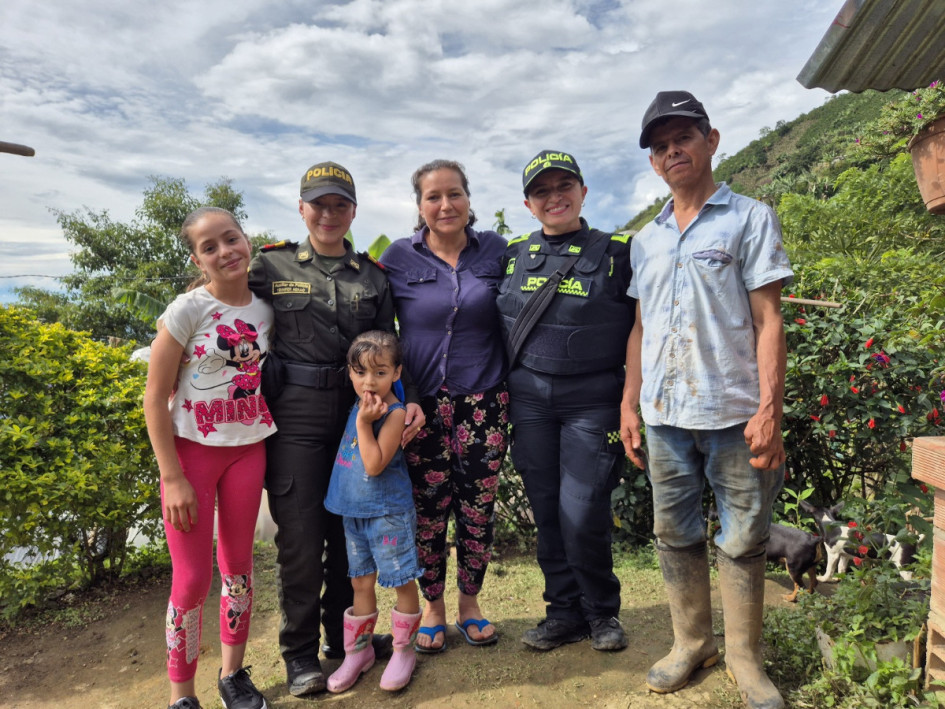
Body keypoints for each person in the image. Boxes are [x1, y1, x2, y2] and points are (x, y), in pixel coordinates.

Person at [620, 91, 793, 709]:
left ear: (711, 140)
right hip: (665, 416)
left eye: (683, 138)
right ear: (653, 163)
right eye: (661, 145)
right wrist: (628, 403)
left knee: (745, 536)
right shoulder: (646, 239)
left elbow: (770, 319)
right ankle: (693, 642)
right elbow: (640, 328)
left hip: (736, 412)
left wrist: (770, 408)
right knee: (674, 532)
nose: (673, 151)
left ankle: (746, 659)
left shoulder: (749, 217)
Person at [247, 162, 424, 696]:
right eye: (318, 204)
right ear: (302, 209)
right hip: (296, 416)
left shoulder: (373, 275)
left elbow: (395, 346)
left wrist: (407, 401)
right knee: (300, 541)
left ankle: (345, 643)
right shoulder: (269, 264)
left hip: (358, 419)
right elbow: (225, 307)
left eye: (339, 204)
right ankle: (300, 657)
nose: (329, 213)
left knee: (352, 539)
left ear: (353, 210)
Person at [495, 150, 634, 652]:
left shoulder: (619, 252)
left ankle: (601, 613)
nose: (554, 197)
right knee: (547, 511)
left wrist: (632, 402)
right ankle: (562, 612)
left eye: (564, 186)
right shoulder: (511, 255)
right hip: (529, 403)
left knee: (583, 510)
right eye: (542, 191)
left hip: (592, 402)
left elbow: (644, 327)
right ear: (528, 204)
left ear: (583, 191)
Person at [144, 207, 275, 709]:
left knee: (239, 567)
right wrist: (171, 476)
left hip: (249, 451)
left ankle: (233, 675)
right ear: (199, 260)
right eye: (210, 247)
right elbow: (155, 397)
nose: (225, 252)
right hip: (190, 457)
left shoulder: (265, 311)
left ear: (246, 240)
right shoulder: (186, 311)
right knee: (193, 578)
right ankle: (182, 695)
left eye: (231, 238)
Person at [380, 160, 509, 653]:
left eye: (454, 194)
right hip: (420, 407)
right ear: (420, 206)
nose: (445, 204)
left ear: (468, 199)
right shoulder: (397, 258)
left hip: (486, 402)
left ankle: (470, 602)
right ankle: (432, 606)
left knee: (478, 508)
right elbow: (376, 327)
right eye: (433, 197)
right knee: (428, 511)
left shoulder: (496, 251)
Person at [324, 331, 423, 692]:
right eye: (361, 372)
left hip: (387, 512)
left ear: (397, 373)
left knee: (400, 579)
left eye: (380, 373)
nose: (370, 382)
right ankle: (358, 653)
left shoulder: (393, 413)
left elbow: (375, 464)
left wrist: (365, 423)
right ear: (350, 373)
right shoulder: (361, 402)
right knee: (360, 581)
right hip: (354, 512)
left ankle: (403, 650)